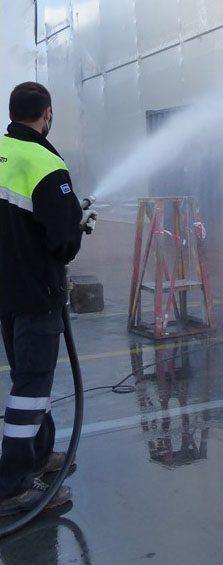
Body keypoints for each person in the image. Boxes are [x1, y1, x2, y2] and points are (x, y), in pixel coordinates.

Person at [0, 82, 92, 515]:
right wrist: (74, 225)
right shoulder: (44, 162)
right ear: (46, 114)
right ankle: (14, 484)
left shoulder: (2, 153)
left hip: (7, 291)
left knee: (28, 378)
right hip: (36, 290)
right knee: (31, 386)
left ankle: (39, 455)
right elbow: (63, 243)